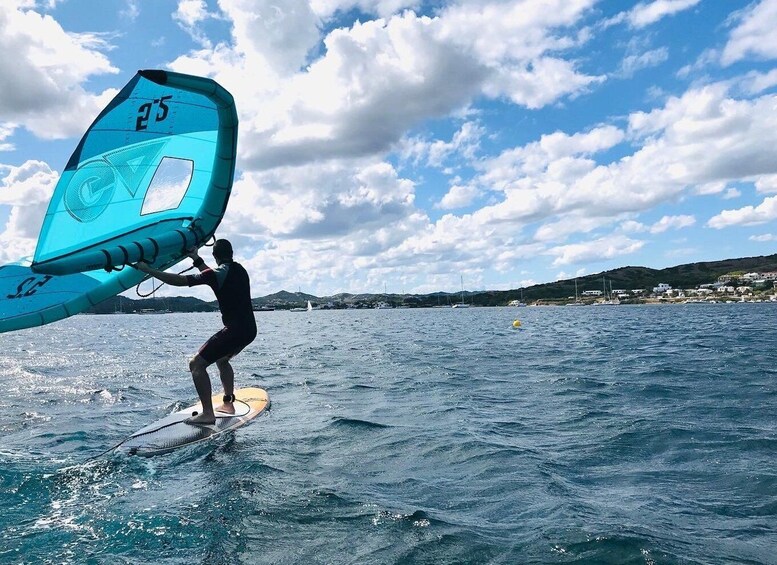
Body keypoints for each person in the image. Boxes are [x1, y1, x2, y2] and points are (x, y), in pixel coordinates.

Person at [134, 239, 257, 425]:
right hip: (249, 329)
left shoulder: (218, 273)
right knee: (222, 360)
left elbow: (179, 281)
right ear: (231, 253)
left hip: (236, 330)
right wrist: (196, 258)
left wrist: (148, 270)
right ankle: (228, 403)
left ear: (215, 256)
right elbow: (211, 275)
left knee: (196, 365)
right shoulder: (239, 270)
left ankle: (208, 414)